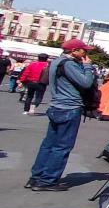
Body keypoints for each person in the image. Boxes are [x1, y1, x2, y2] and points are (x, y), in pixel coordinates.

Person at [27, 39, 98, 191]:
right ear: (74, 51)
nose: (86, 53)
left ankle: (36, 176)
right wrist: (87, 66)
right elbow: (85, 82)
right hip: (69, 107)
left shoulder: (56, 62)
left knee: (49, 144)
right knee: (62, 146)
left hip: (56, 106)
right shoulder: (69, 64)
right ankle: (48, 180)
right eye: (83, 50)